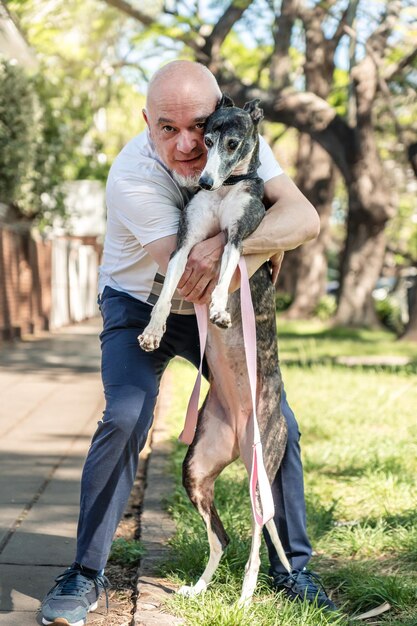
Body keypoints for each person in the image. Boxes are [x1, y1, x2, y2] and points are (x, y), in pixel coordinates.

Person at [40, 60, 336, 626]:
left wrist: (234, 240)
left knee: (275, 418)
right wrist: (256, 244)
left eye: (198, 125)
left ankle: (291, 567)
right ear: (146, 122)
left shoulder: (237, 140)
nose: (186, 144)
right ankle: (84, 572)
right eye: (167, 129)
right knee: (127, 415)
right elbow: (195, 275)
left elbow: (306, 220)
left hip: (217, 305)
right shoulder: (132, 175)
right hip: (142, 304)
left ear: (221, 115)